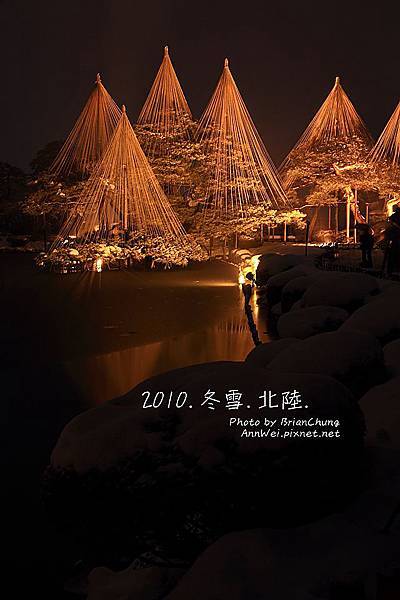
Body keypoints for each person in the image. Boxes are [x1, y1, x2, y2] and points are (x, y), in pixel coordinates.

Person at [384, 205, 400, 274]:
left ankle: (391, 269)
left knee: (393, 255)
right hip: (395, 239)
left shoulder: (393, 226)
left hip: (395, 240)